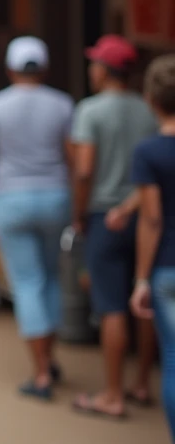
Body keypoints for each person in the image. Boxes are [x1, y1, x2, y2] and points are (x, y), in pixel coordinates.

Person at [0, 37, 73, 401]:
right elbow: (74, 158)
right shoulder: (63, 104)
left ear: (9, 69)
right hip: (56, 198)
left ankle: (41, 373)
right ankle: (49, 358)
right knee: (51, 277)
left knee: (27, 282)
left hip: (11, 200)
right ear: (44, 68)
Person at [69, 35, 158, 420]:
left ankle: (113, 393)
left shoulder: (90, 111)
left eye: (94, 64)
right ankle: (140, 382)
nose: (91, 70)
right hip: (147, 214)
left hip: (105, 214)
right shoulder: (150, 110)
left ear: (104, 71)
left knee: (111, 305)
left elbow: (84, 169)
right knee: (144, 300)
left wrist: (78, 212)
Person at [128, 54, 175, 444]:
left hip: (167, 270)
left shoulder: (149, 152)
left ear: (151, 100)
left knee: (174, 363)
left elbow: (152, 220)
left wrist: (141, 279)